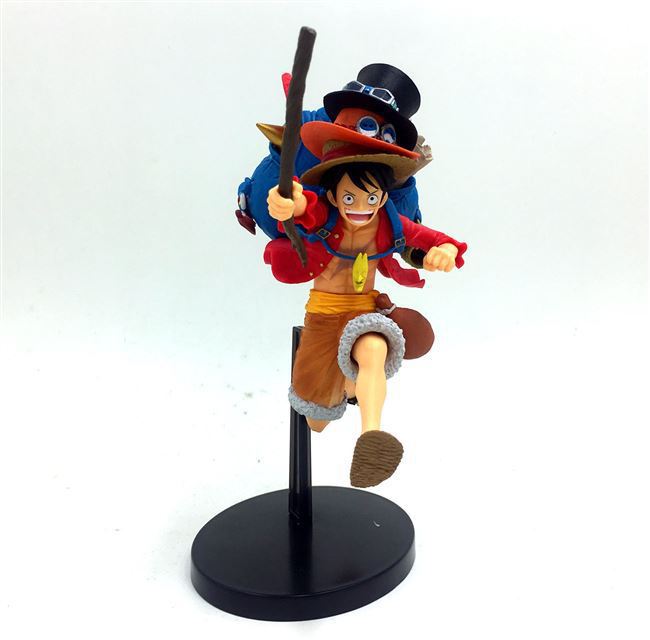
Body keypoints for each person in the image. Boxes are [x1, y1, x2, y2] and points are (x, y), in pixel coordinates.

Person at [264, 64, 467, 488]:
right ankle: (347, 387)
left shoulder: (389, 221)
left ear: (384, 196)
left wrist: (444, 251)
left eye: (372, 197)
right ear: (333, 194)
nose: (362, 207)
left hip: (364, 310)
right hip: (324, 316)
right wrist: (289, 205)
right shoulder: (326, 215)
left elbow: (435, 239)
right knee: (316, 420)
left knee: (373, 346)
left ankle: (372, 436)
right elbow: (302, 208)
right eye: (351, 197)